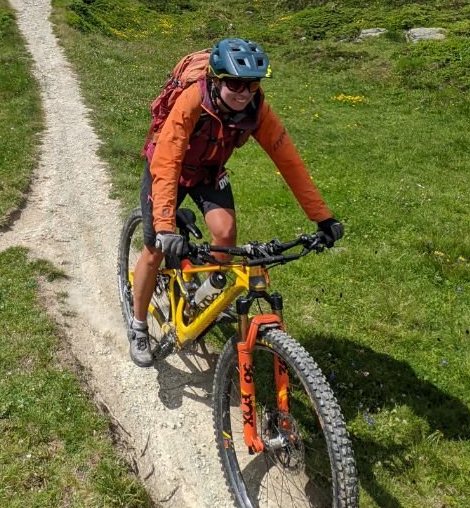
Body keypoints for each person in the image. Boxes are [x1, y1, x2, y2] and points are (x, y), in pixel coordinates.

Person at [128, 36, 343, 367]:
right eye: (235, 84)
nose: (244, 93)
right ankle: (139, 325)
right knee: (155, 248)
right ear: (216, 80)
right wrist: (167, 226)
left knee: (226, 236)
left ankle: (206, 295)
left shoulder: (257, 111)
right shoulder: (191, 102)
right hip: (168, 167)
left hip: (209, 172)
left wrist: (323, 218)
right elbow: (167, 163)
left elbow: (289, 162)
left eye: (252, 85)